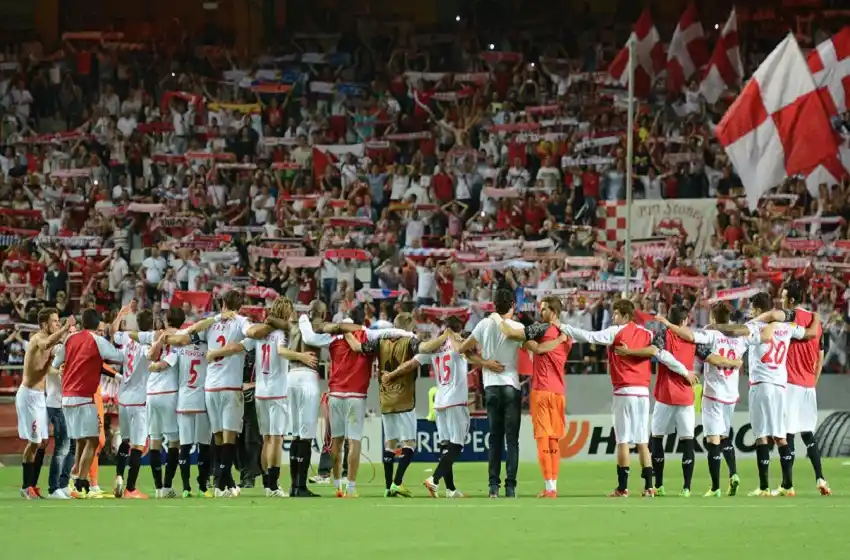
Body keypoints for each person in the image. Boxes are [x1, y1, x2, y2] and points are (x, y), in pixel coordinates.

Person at [560, 299, 691, 497]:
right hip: (643, 393)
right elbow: (664, 356)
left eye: (615, 314)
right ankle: (649, 487)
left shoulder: (616, 332)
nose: (613, 318)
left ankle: (622, 488)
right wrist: (685, 371)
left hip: (623, 392)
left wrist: (562, 327)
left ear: (624, 316)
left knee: (622, 440)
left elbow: (588, 336)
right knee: (642, 441)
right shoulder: (648, 334)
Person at [711, 292, 820, 496]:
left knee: (761, 436)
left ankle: (764, 488)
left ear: (760, 310)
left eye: (753, 309)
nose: (751, 313)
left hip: (761, 385)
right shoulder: (787, 328)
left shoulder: (755, 326)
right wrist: (816, 317)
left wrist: (715, 327)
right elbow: (811, 334)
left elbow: (734, 332)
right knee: (781, 436)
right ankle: (788, 485)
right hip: (780, 387)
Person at [173, 290, 279, 498]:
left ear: (222, 303)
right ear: (240, 307)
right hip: (230, 386)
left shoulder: (209, 322)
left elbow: (188, 336)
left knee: (219, 436)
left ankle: (225, 483)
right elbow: (251, 336)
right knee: (230, 437)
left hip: (210, 386)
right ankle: (221, 484)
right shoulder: (241, 321)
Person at [209, 297, 316, 498]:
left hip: (261, 392)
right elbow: (281, 350)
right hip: (277, 391)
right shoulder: (281, 333)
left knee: (266, 439)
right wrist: (301, 356)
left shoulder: (260, 333)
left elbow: (238, 347)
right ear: (287, 312)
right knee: (276, 438)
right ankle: (273, 486)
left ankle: (268, 484)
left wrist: (215, 353)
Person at [388, 316, 500, 498]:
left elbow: (411, 364)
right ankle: (434, 479)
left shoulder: (435, 346)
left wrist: (392, 375)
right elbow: (472, 354)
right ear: (458, 329)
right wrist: (487, 363)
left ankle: (450, 489)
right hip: (456, 401)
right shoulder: (460, 343)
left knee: (446, 446)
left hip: (439, 402)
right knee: (457, 445)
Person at [633, 305, 739, 498]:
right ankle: (686, 488)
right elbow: (712, 358)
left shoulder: (663, 335)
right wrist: (733, 362)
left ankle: (659, 485)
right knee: (687, 441)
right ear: (684, 321)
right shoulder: (693, 338)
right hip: (685, 396)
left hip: (665, 394)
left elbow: (657, 353)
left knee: (656, 438)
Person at [344, 312, 446, 497]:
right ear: (408, 325)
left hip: (385, 397)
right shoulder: (410, 341)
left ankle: (387, 487)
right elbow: (425, 348)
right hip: (404, 398)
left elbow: (358, 347)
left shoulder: (380, 340)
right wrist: (444, 337)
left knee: (390, 444)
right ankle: (397, 483)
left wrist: (344, 331)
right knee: (409, 444)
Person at [753, 281, 831, 495]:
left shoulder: (790, 316)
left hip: (790, 383)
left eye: (784, 296)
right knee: (808, 434)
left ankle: (787, 484)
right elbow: (820, 356)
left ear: (792, 300)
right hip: (808, 386)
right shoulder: (816, 323)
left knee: (786, 434)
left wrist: (755, 320)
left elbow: (773, 317)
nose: (781, 300)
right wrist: (813, 382)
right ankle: (821, 479)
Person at [492, 296, 572, 498]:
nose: (540, 312)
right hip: (559, 392)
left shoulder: (541, 329)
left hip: (543, 390)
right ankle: (552, 486)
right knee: (554, 440)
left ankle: (549, 487)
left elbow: (510, 332)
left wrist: (496, 318)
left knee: (543, 440)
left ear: (553, 311)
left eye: (543, 309)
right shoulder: (567, 335)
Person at [457, 288, 524, 498]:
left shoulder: (483, 324)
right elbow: (530, 346)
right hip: (511, 384)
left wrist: (484, 362)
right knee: (511, 440)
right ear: (512, 304)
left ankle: (493, 486)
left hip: (491, 386)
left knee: (495, 438)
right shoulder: (517, 326)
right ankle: (510, 487)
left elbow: (463, 349)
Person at [52, 308, 123, 499]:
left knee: (81, 440)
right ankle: (81, 481)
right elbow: (119, 356)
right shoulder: (96, 341)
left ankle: (76, 480)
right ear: (98, 323)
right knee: (93, 440)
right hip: (85, 396)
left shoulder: (70, 339)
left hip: (67, 397)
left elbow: (56, 363)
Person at [152, 311, 213, 498]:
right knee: (204, 445)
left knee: (185, 446)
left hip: (183, 401)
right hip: (201, 401)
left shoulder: (180, 349)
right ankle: (203, 487)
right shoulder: (207, 350)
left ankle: (186, 488)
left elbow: (165, 365)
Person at [16, 308, 72, 498]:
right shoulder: (38, 339)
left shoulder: (50, 344)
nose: (57, 324)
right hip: (29, 395)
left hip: (40, 396)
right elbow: (47, 342)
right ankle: (26, 487)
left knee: (43, 442)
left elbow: (48, 369)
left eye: (58, 321)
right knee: (35, 442)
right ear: (44, 324)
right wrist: (65, 328)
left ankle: (32, 485)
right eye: (54, 321)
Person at [111, 306, 156, 498]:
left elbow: (113, 332)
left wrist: (120, 313)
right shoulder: (146, 344)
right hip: (139, 399)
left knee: (126, 440)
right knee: (138, 445)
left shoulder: (128, 337)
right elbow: (152, 357)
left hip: (124, 399)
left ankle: (119, 477)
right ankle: (130, 488)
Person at [145, 307, 188, 498]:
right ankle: (167, 486)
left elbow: (151, 358)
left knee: (155, 439)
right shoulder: (181, 338)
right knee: (174, 441)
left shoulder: (159, 336)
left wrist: (159, 343)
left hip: (151, 394)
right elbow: (166, 363)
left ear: (167, 320)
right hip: (168, 393)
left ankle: (157, 487)